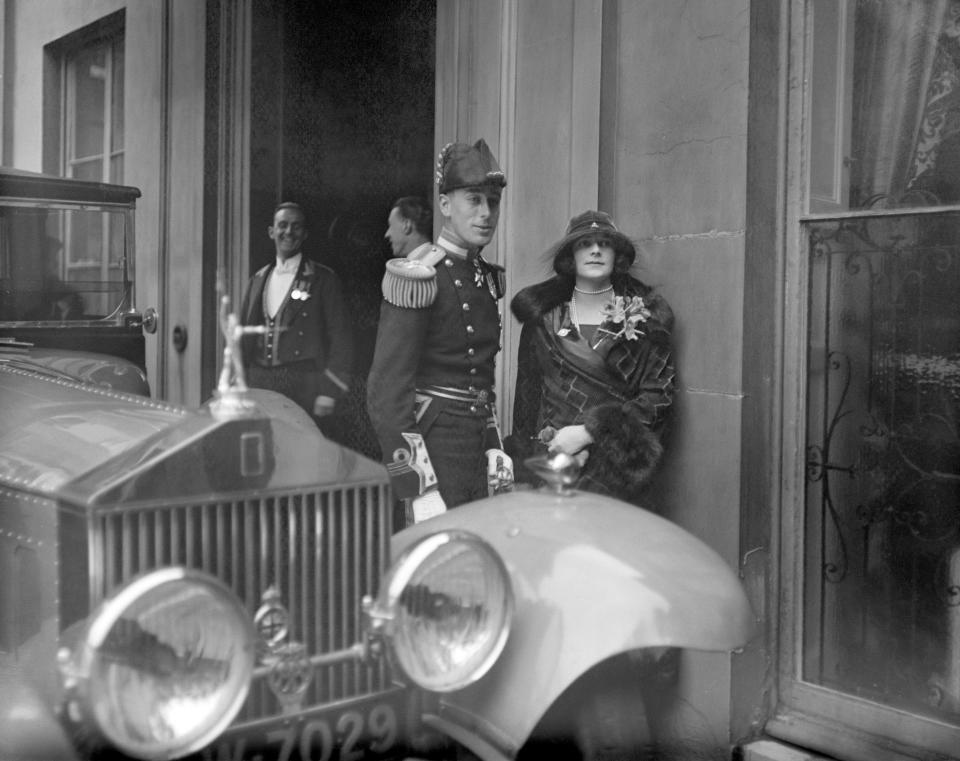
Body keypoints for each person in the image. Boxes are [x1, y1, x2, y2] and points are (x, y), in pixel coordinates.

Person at [367, 139, 513, 524]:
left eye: (492, 202)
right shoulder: (420, 274)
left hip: (475, 450)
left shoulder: (485, 279)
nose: (485, 213)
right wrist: (417, 486)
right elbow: (385, 395)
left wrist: (494, 448)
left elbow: (480, 379)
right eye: (474, 200)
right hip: (433, 450)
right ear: (446, 205)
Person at [504, 210, 675, 505]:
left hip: (615, 470)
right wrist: (522, 469)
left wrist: (589, 431)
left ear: (617, 255)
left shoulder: (646, 317)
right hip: (555, 461)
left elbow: (659, 396)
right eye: (585, 244)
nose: (595, 250)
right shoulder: (543, 320)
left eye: (604, 243)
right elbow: (527, 397)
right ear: (571, 256)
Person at [239, 202, 353, 434]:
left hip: (303, 386)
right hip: (260, 383)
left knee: (302, 457)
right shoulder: (257, 279)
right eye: (282, 225)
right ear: (272, 231)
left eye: (296, 227)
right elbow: (241, 338)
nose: (288, 232)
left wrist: (329, 391)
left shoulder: (323, 279)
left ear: (305, 234)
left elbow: (342, 340)